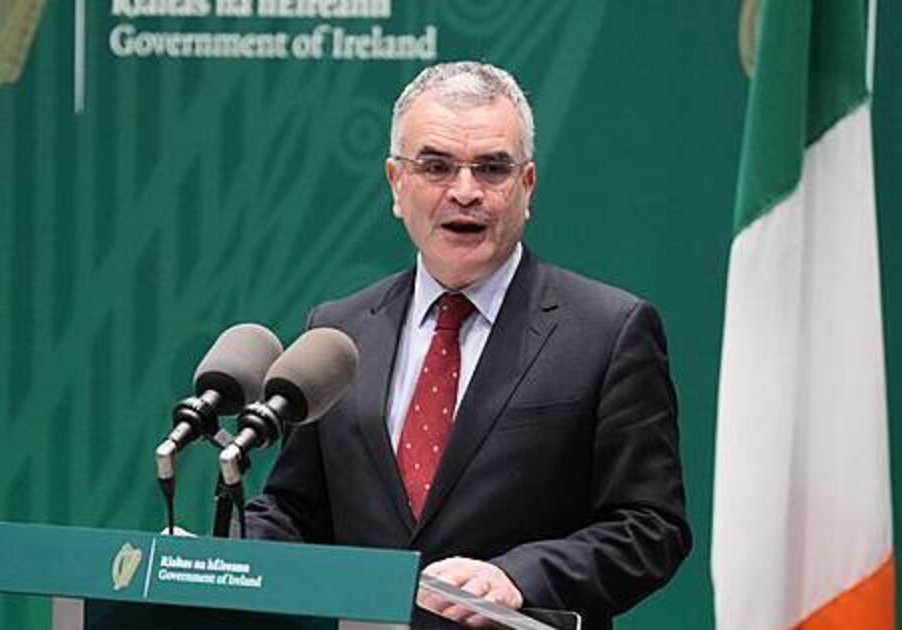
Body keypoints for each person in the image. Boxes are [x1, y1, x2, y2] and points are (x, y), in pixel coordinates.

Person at [245, 61, 690, 629]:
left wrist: (518, 577)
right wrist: (217, 557)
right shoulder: (337, 332)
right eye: (435, 166)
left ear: (527, 186)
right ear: (396, 184)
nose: (465, 191)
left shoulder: (609, 331)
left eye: (492, 168)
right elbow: (295, 510)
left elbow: (651, 526)